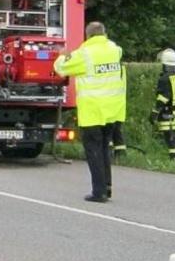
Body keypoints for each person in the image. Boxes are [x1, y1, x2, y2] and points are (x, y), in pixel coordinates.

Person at [53, 21, 126, 203]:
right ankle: (107, 187)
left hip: (93, 111)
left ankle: (98, 192)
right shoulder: (115, 50)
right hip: (112, 110)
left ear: (88, 36)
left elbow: (61, 69)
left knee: (94, 152)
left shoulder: (84, 54)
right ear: (104, 33)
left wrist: (62, 56)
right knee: (104, 149)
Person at [150, 49, 175, 159]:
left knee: (170, 137)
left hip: (167, 114)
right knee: (174, 136)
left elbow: (162, 98)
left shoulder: (164, 79)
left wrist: (154, 113)